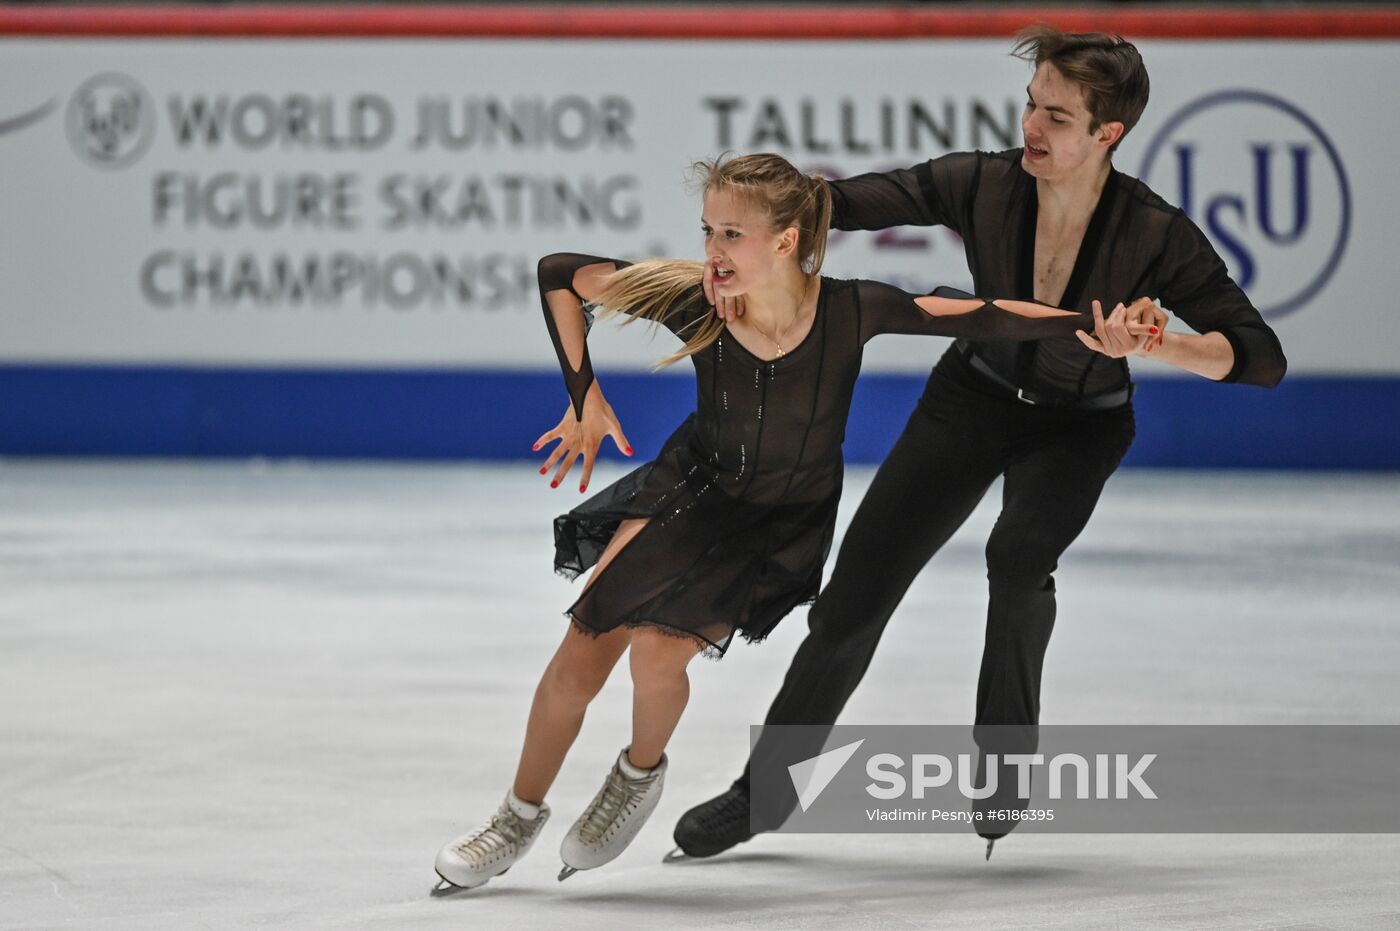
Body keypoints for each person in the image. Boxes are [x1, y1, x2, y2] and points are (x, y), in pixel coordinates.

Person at [431, 152, 1151, 892]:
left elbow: (985, 314)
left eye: (732, 235)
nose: (713, 251)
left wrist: (1090, 327)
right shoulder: (692, 297)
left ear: (784, 241)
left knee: (656, 653)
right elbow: (561, 272)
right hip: (692, 487)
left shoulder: (852, 308)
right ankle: (517, 815)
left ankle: (635, 776)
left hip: (779, 518)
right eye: (708, 230)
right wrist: (583, 393)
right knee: (579, 654)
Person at [672, 25, 1287, 862]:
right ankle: (765, 791)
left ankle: (1002, 768)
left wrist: (1160, 344)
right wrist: (744, 230)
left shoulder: (1154, 234)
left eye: (1058, 117)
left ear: (1109, 133)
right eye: (1032, 104)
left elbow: (1260, 358)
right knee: (859, 586)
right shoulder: (985, 182)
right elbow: (837, 204)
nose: (1032, 126)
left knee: (1018, 556)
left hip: (1081, 423)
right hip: (973, 398)